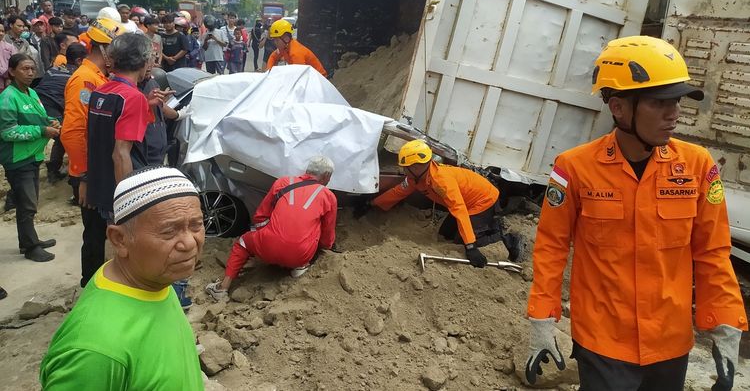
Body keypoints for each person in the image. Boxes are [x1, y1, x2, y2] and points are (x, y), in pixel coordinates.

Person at [525, 36, 747, 391]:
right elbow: (551, 246)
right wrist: (542, 320)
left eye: (676, 101)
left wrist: (725, 325)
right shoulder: (574, 168)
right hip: (602, 342)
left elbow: (712, 253)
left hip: (670, 343)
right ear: (618, 107)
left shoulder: (697, 166)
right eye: (660, 103)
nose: (673, 113)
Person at [39, 166, 205, 390]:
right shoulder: (94, 350)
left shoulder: (151, 279)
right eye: (169, 231)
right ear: (119, 240)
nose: (190, 243)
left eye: (196, 225)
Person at [85, 33, 168, 286]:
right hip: (121, 189)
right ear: (144, 62)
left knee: (117, 245)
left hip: (100, 185)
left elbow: (100, 137)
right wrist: (127, 202)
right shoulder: (131, 98)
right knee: (131, 251)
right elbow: (120, 153)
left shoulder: (101, 92)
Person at [364, 139, 524, 267]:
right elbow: (398, 191)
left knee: (462, 241)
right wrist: (372, 203)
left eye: (406, 167)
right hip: (466, 202)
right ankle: (487, 226)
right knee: (445, 234)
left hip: (483, 200)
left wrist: (471, 247)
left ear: (417, 166)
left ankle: (508, 238)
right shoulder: (416, 178)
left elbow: (458, 208)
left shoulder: (440, 181)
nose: (404, 170)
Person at [206, 156, 338, 299]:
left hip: (267, 249)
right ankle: (299, 267)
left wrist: (264, 235)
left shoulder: (283, 182)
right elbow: (327, 235)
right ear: (326, 176)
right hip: (300, 256)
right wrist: (325, 247)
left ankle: (222, 287)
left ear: (307, 170)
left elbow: (260, 217)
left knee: (243, 242)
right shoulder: (329, 196)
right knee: (315, 225)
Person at [60, 18, 124, 286]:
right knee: (96, 236)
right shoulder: (83, 80)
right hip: (89, 174)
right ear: (105, 49)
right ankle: (90, 287)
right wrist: (84, 176)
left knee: (102, 233)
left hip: (97, 171)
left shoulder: (98, 78)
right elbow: (73, 133)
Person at [0, 53, 59, 262]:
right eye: (25, 69)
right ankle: (30, 246)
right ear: (12, 72)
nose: (30, 72)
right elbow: (8, 131)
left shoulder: (32, 93)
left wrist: (50, 122)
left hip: (31, 155)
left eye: (32, 69)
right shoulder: (7, 98)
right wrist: (41, 131)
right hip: (17, 158)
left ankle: (29, 239)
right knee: (26, 204)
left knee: (30, 202)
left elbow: (39, 117)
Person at [36, 44, 86, 184]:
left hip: (36, 104)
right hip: (51, 107)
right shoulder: (77, 76)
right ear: (79, 61)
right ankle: (57, 171)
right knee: (65, 136)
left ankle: (54, 169)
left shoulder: (54, 69)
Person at [0, 25, 16, 92]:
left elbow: (16, 62)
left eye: (2, 31)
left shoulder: (10, 47)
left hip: (8, 82)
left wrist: (9, 77)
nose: (1, 33)